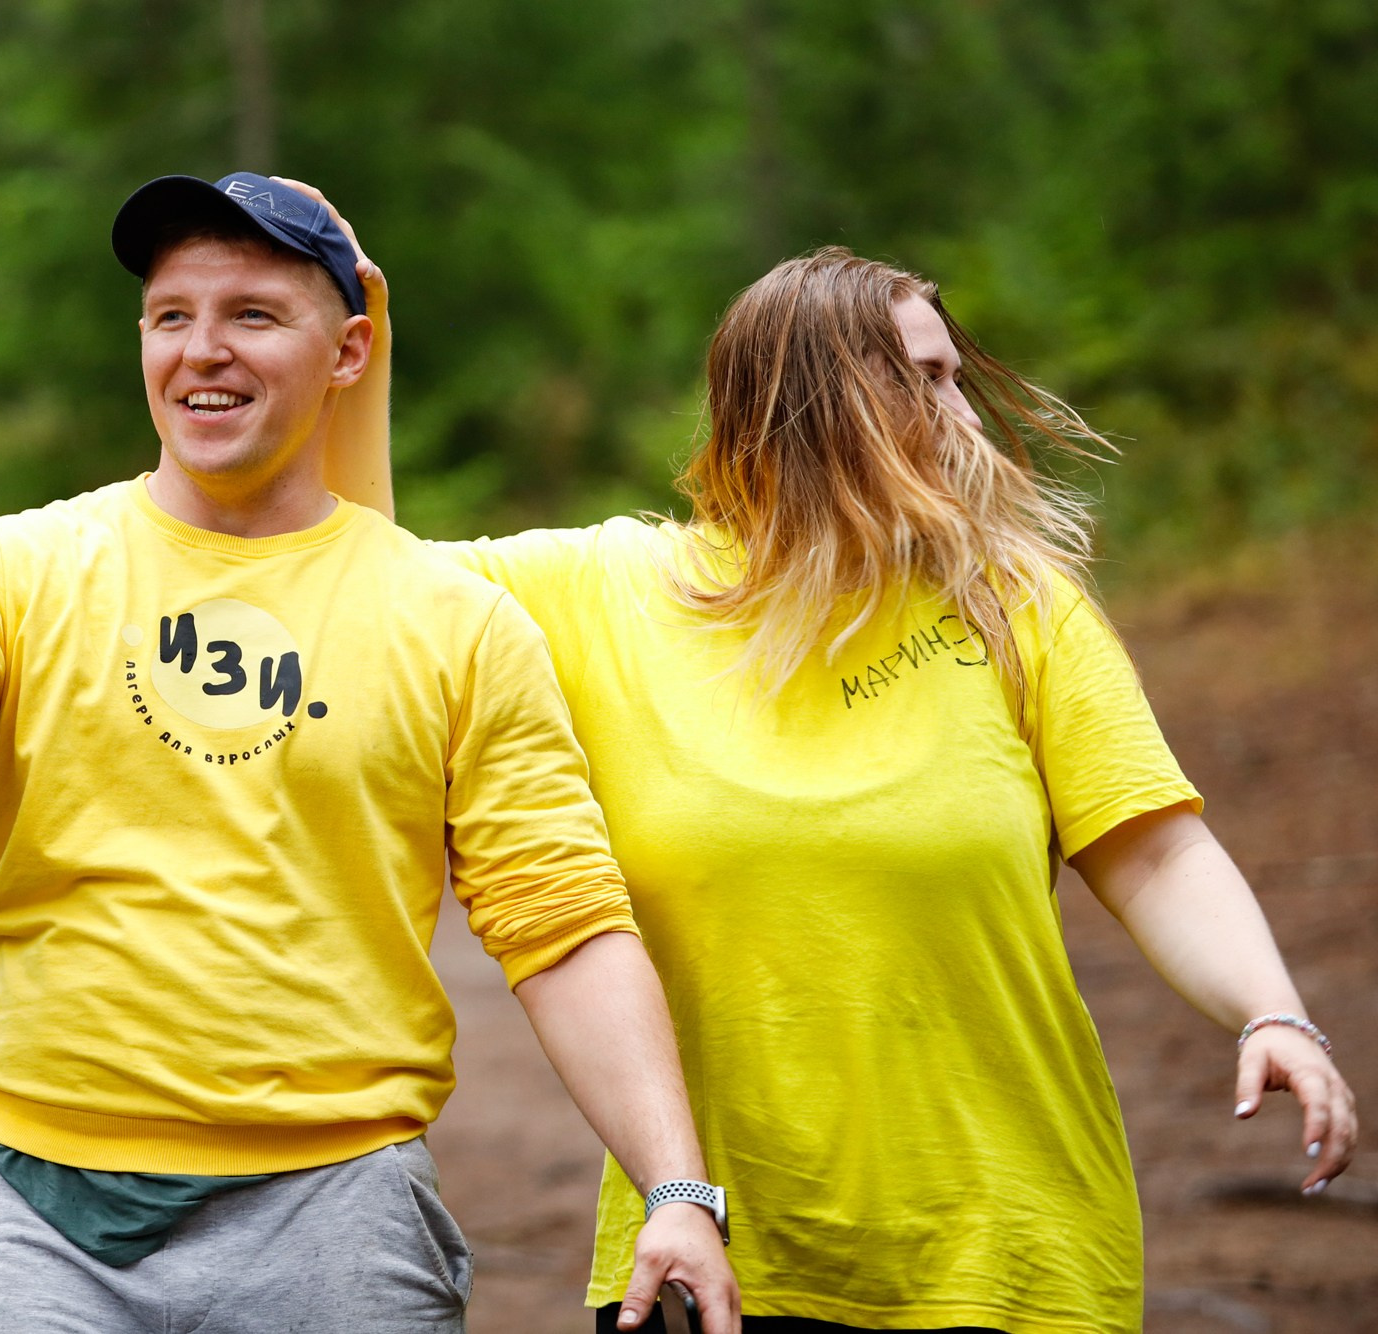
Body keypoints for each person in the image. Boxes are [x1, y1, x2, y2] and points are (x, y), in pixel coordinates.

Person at [0, 172, 738, 1333]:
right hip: (36, 1216)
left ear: (346, 353)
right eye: (170, 314)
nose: (201, 350)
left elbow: (564, 929)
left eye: (251, 314)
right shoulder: (10, 571)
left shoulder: (457, 622)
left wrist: (675, 1190)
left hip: (335, 1214)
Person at [314, 208, 1359, 1333]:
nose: (964, 415)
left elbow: (1152, 850)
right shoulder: (611, 592)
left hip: (1010, 1249)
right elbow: (371, 590)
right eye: (927, 379)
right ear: (817, 405)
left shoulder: (1011, 603)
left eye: (956, 377)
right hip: (711, 1252)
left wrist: (1272, 1012)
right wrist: (354, 347)